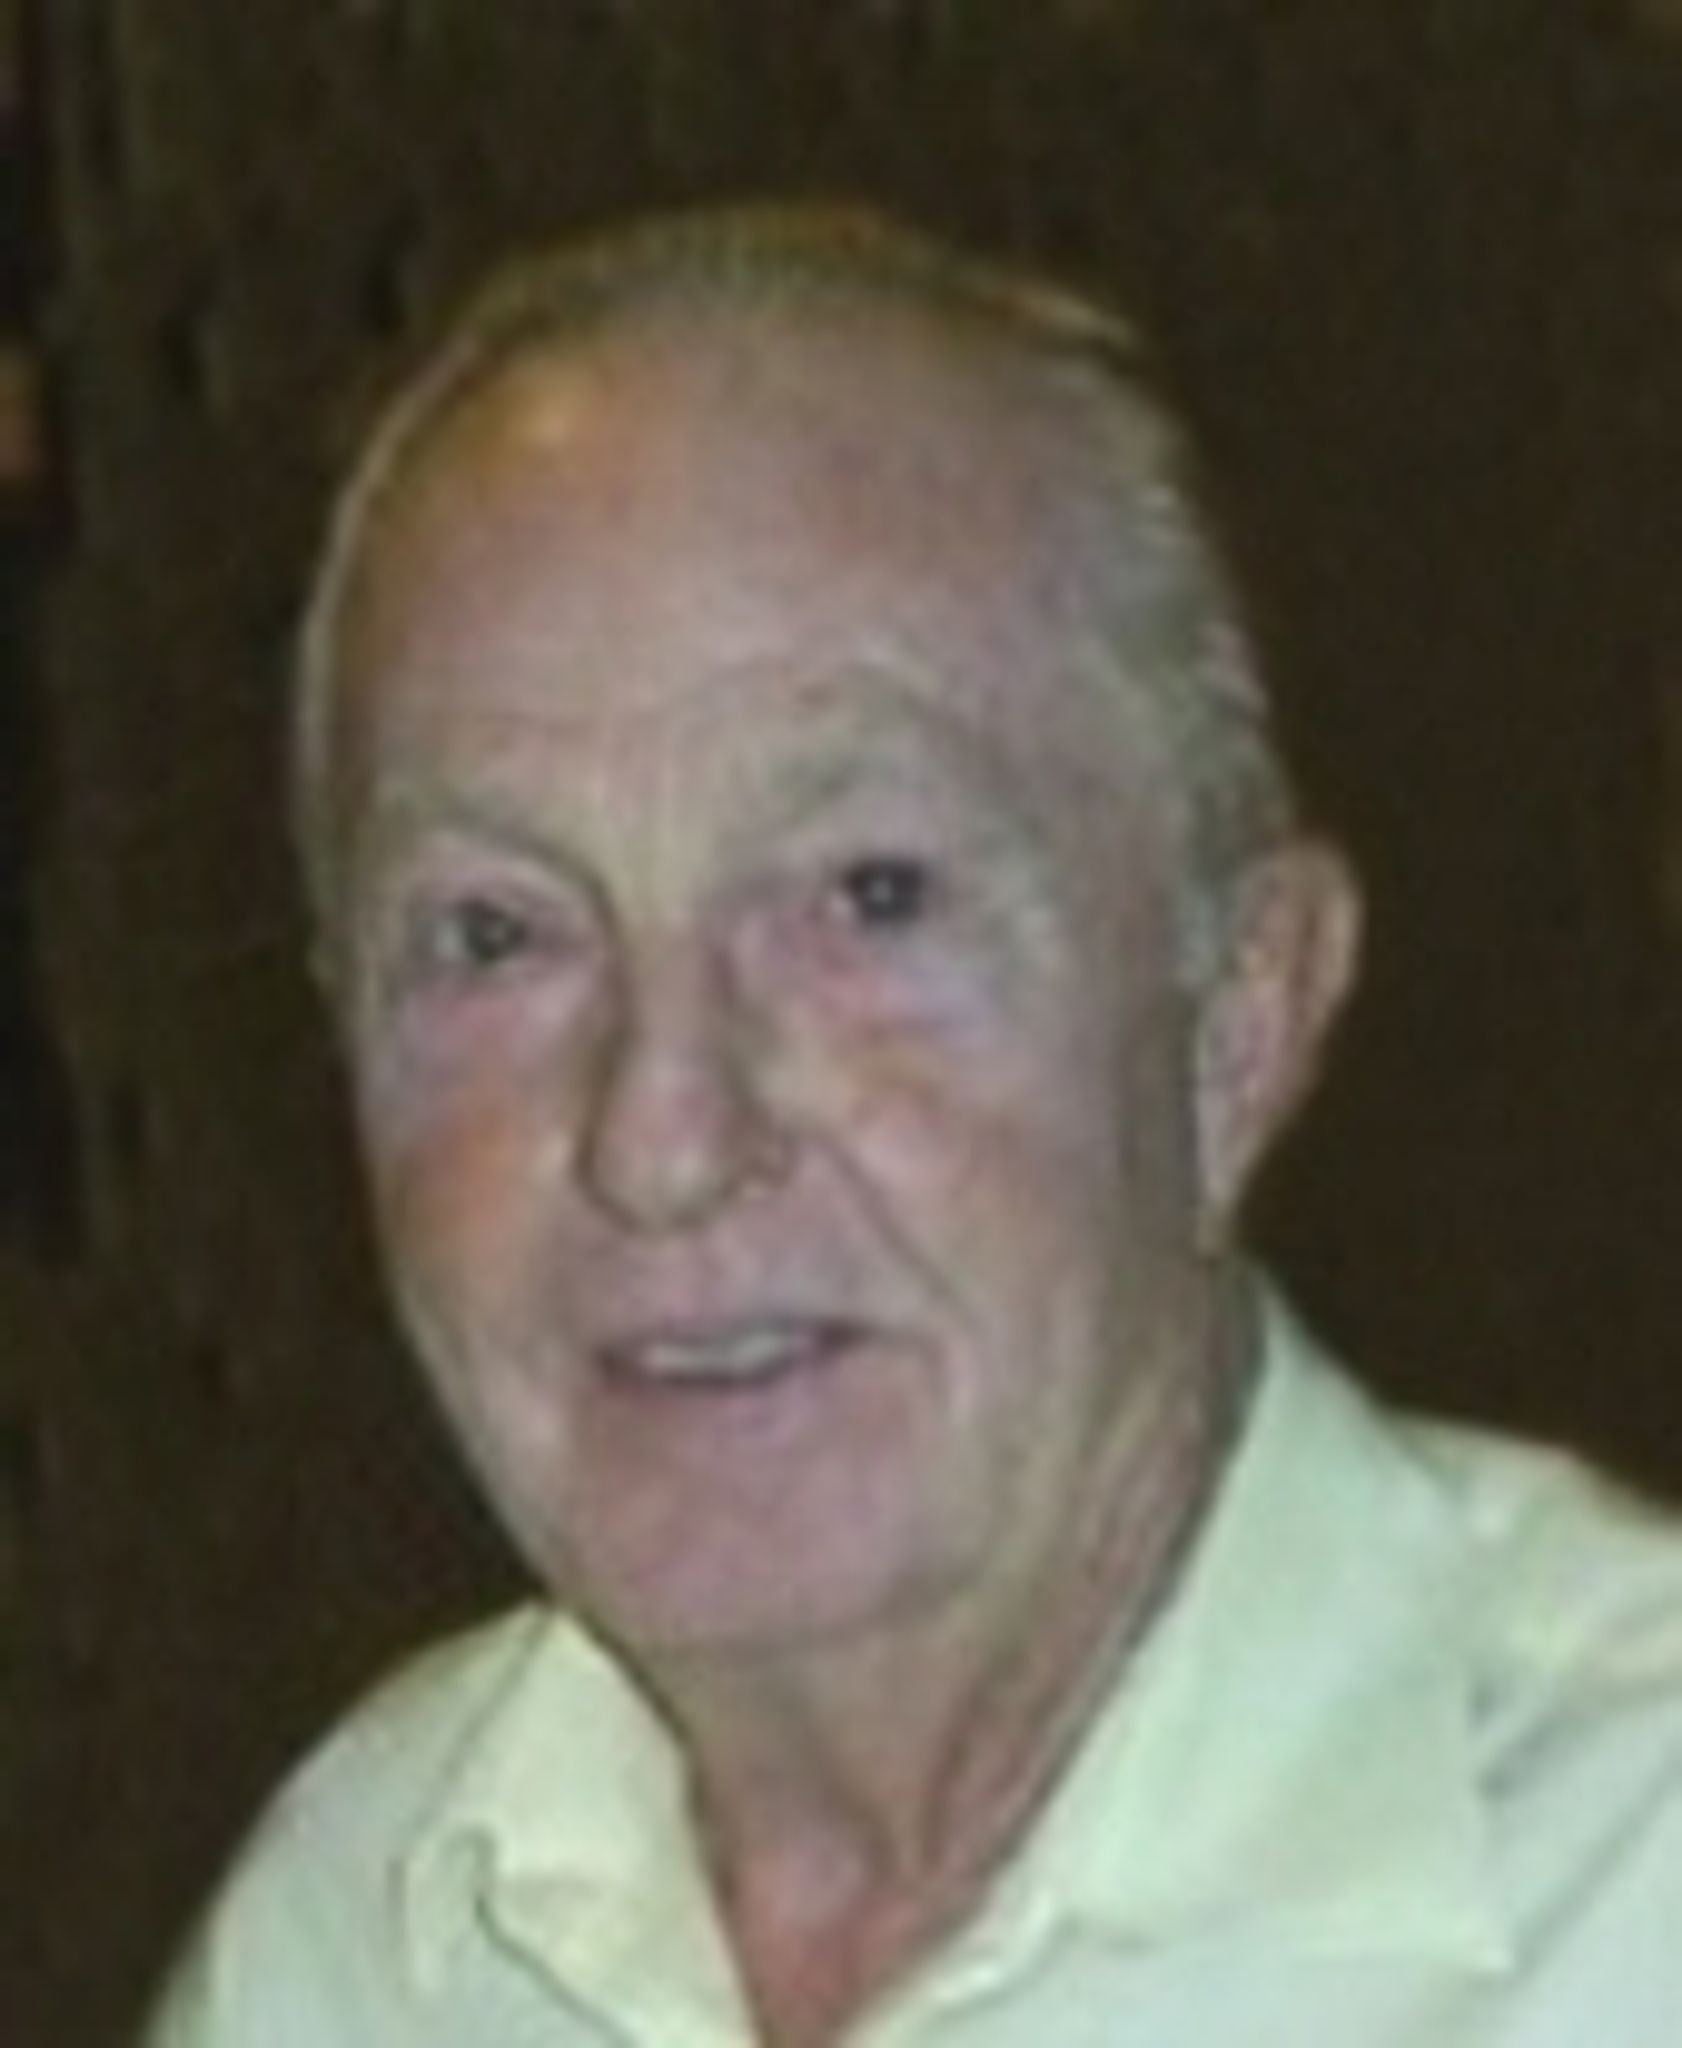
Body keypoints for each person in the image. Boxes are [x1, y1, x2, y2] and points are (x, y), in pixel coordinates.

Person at [147, 204, 1682, 2048]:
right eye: (492, 936)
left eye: (869, 897)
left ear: (1238, 1024)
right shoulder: (368, 1933)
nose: (660, 1140)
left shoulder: (1631, 1886)